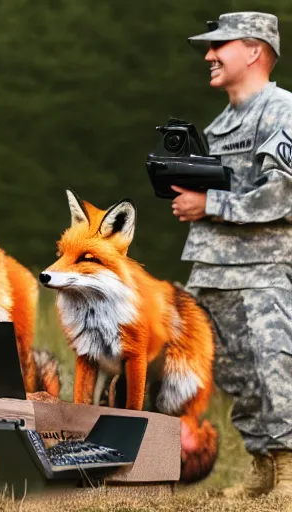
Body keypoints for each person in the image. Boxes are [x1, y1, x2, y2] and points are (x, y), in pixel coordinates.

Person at [171, 11, 292, 498]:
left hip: (263, 270)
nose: (209, 55)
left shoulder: (281, 109)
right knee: (234, 373)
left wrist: (210, 203)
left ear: (255, 51)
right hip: (213, 269)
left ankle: (288, 471)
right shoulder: (221, 124)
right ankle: (262, 466)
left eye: (220, 45)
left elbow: (284, 194)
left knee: (273, 367)